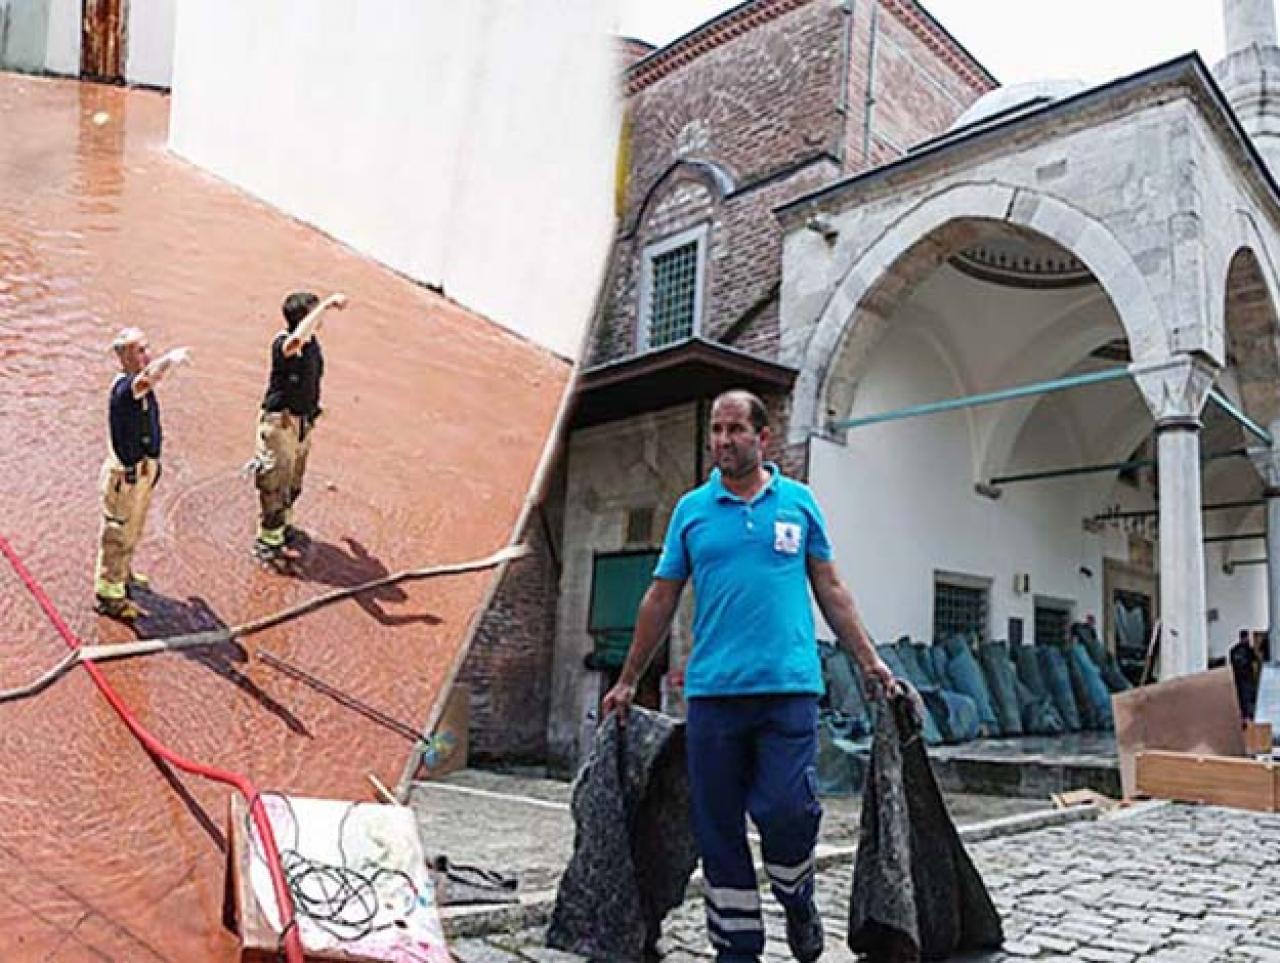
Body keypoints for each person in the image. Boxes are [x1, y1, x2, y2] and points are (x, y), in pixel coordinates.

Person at [601, 389, 897, 963]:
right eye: (715, 430)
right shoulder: (692, 511)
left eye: (735, 429)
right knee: (718, 827)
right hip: (713, 695)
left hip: (788, 690)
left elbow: (831, 590)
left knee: (788, 809)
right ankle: (737, 947)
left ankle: (797, 896)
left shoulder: (800, 503)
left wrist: (870, 661)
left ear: (763, 438)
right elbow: (661, 597)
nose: (722, 441)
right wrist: (628, 676)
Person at [93, 328, 190, 620]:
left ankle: (123, 576)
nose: (146, 355)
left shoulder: (140, 388)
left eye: (147, 349)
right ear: (123, 357)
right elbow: (149, 378)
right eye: (139, 351)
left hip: (142, 471)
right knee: (118, 533)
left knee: (133, 529)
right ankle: (109, 595)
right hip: (125, 477)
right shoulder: (126, 388)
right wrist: (170, 359)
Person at [249, 291, 346, 562]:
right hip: (280, 424)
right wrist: (326, 304)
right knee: (274, 482)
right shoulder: (284, 343)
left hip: (302, 423)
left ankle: (283, 526)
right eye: (315, 313)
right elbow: (294, 342)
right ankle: (268, 539)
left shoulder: (312, 343)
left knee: (293, 481)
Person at [1230, 628, 1263, 720]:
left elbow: (1232, 663)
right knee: (1247, 698)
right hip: (1247, 678)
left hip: (1238, 678)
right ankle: (1248, 716)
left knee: (1242, 699)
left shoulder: (1233, 650)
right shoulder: (1248, 650)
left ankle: (1245, 716)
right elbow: (1257, 660)